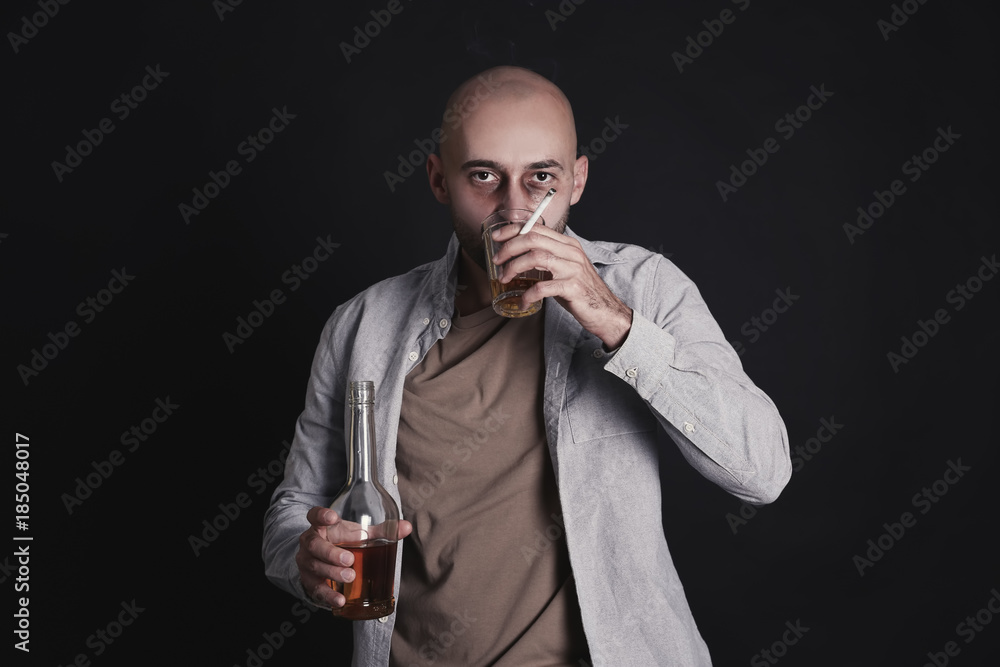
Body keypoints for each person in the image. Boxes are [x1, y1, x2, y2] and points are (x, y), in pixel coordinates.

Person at [263, 66, 792, 666]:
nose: (514, 210)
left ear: (577, 182)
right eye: (484, 175)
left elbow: (763, 470)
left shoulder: (645, 288)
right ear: (439, 180)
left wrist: (615, 323)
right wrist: (305, 556)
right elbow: (293, 510)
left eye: (542, 177)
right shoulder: (362, 326)